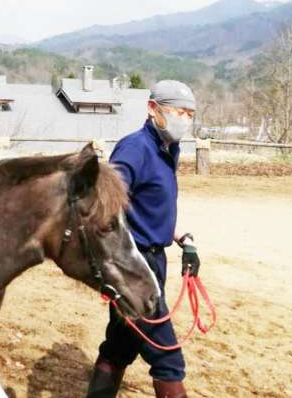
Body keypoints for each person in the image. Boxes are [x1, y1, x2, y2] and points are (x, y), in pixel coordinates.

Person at [86, 80, 201, 398]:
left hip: (155, 258)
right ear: (153, 109)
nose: (185, 120)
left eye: (190, 114)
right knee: (167, 356)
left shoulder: (168, 149)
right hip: (132, 264)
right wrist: (116, 268)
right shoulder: (134, 148)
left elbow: (149, 205)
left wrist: (182, 238)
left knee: (120, 345)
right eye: (179, 112)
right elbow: (105, 207)